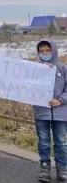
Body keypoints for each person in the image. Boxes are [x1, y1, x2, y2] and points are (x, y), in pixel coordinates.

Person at [34, 39, 67, 182]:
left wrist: (60, 100)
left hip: (60, 113)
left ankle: (62, 169)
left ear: (53, 50)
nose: (45, 53)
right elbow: (27, 88)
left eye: (47, 50)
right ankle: (44, 169)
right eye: (41, 51)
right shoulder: (34, 69)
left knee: (60, 142)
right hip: (41, 112)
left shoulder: (62, 68)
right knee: (43, 141)